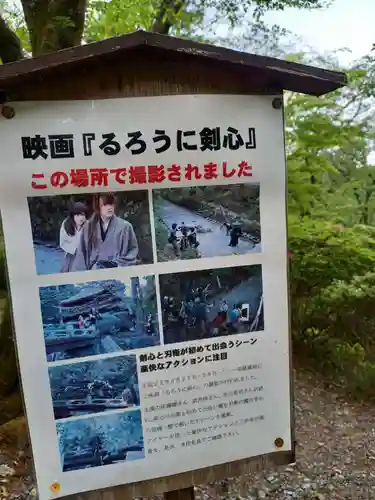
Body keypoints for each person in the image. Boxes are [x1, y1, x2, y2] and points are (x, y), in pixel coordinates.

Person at [72, 193, 139, 271]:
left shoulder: (125, 227)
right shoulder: (88, 226)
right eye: (105, 205)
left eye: (111, 204)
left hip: (118, 272)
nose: (109, 208)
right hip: (93, 274)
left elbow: (133, 251)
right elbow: (81, 254)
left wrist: (115, 264)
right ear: (98, 207)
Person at [59, 201, 87, 272]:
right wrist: (75, 250)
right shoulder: (66, 224)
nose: (81, 218)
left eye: (82, 215)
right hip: (70, 253)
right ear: (73, 215)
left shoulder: (88, 225)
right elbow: (62, 243)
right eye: (77, 215)